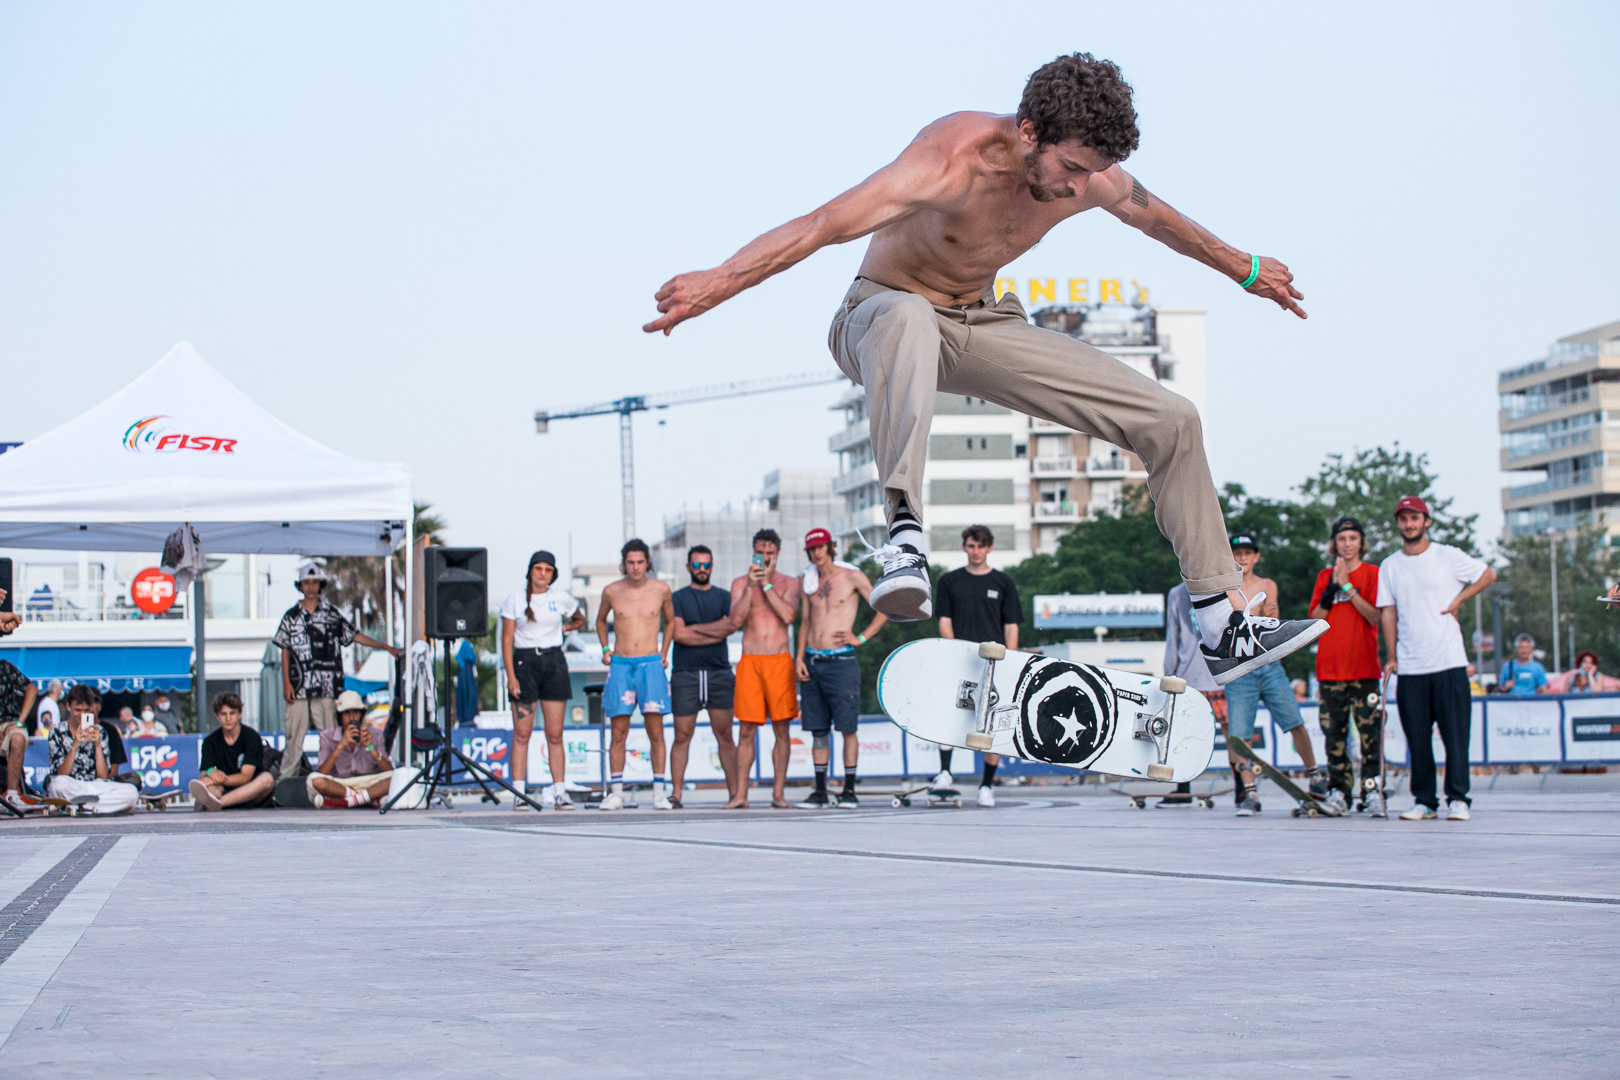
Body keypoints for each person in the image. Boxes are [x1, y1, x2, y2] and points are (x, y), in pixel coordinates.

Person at [643, 52, 1325, 682]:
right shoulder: (946, 160)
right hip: (876, 318)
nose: (1082, 187)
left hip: (981, 323)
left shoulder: (1090, 177)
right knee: (910, 314)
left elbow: (1161, 221)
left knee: (1172, 418)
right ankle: (904, 534)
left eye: (1093, 173)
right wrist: (719, 280)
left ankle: (1217, 619)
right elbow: (823, 223)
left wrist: (1244, 268)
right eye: (1072, 169)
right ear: (1028, 130)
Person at [1378, 496, 1495, 822]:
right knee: (1417, 738)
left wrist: (1459, 599)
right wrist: (1390, 656)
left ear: (1426, 520)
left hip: (1449, 661)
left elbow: (1487, 574)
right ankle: (1425, 800)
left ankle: (1458, 798)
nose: (1409, 524)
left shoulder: (1447, 556)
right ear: (1398, 523)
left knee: (1456, 735)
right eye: (1403, 519)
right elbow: (1388, 612)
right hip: (1411, 664)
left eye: (1414, 518)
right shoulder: (1390, 565)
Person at [1223, 534, 1324, 816]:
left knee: (1294, 720)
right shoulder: (1222, 588)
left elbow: (1272, 618)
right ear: (1230, 556)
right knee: (1240, 734)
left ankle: (1314, 774)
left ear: (1256, 557)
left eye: (1248, 552)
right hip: (1239, 665)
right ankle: (1250, 793)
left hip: (1268, 663)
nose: (1242, 557)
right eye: (1237, 552)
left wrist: (1260, 614)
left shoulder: (1267, 585)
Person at [273, 563, 401, 779]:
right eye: (307, 583)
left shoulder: (332, 614)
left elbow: (355, 636)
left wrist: (386, 647)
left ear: (320, 585)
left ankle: (333, 779)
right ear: (301, 586)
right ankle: (285, 784)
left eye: (315, 582)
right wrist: (286, 683)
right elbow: (285, 649)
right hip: (298, 686)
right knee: (293, 737)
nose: (311, 587)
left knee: (330, 735)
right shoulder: (291, 616)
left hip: (327, 686)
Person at [795, 528, 887, 807]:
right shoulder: (808, 581)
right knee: (818, 730)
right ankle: (821, 791)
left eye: (821, 547)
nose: (817, 552)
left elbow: (884, 607)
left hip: (841, 661)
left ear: (830, 547)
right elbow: (805, 623)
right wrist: (798, 658)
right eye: (812, 549)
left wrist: (861, 637)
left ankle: (849, 790)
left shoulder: (851, 576)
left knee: (848, 728)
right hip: (812, 659)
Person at [934, 526, 1021, 807]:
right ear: (964, 547)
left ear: (989, 548)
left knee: (991, 725)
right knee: (949, 716)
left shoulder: (1003, 582)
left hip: (993, 663)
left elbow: (1011, 625)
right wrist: (954, 653)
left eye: (981, 546)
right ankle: (945, 772)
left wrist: (1010, 660)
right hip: (960, 660)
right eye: (971, 546)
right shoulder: (950, 581)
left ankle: (986, 786)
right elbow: (944, 621)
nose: (976, 551)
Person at [1307, 516, 1386, 817]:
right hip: (1330, 669)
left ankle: (1372, 791)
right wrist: (1332, 587)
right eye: (1342, 539)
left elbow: (1375, 616)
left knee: (1370, 736)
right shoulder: (1325, 575)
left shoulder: (1373, 573)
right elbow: (1315, 617)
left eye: (1353, 539)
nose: (1348, 544)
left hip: (1364, 668)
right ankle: (1340, 791)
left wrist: (1348, 587)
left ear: (1362, 543)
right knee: (1334, 735)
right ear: (1334, 544)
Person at [500, 550, 586, 810]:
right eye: (538, 568)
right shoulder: (515, 599)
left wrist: (565, 628)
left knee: (555, 733)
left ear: (553, 574)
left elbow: (580, 618)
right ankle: (519, 791)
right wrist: (511, 676)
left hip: (554, 661)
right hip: (525, 663)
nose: (542, 573)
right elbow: (506, 640)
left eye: (548, 569)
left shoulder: (560, 598)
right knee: (522, 732)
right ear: (530, 571)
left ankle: (560, 791)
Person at [596, 539, 675, 811]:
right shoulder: (611, 591)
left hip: (651, 664)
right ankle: (616, 793)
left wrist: (665, 651)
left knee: (656, 731)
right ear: (623, 563)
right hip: (620, 664)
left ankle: (658, 794)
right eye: (630, 562)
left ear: (648, 562)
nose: (636, 567)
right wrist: (605, 648)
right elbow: (600, 620)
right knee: (618, 731)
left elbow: (671, 621)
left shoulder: (661, 589)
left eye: (640, 562)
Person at [727, 529, 803, 809]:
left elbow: (788, 615)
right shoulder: (739, 583)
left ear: (778, 553)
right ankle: (741, 795)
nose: (766, 558)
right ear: (753, 553)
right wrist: (751, 586)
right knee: (746, 730)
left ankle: (778, 794)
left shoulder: (789, 582)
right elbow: (735, 621)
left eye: (770, 553)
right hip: (751, 661)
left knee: (781, 729)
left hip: (780, 662)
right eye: (761, 553)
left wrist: (769, 585)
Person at [670, 545, 739, 809]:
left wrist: (694, 629)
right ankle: (676, 795)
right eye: (696, 565)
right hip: (685, 673)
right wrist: (713, 631)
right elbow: (678, 634)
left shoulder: (723, 596)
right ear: (688, 567)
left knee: (724, 735)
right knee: (681, 735)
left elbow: (730, 627)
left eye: (706, 564)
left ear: (712, 566)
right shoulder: (677, 597)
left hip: (718, 672)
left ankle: (735, 794)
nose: (702, 569)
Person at [1162, 582, 1225, 807]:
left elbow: (1173, 637)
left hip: (1218, 677)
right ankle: (1183, 787)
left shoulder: (1224, 587)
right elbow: (1174, 635)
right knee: (1183, 734)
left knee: (1231, 733)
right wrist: (1170, 671)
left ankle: (1244, 787)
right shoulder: (1178, 593)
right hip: (1194, 677)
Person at [45, 684, 138, 814]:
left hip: (94, 785)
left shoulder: (100, 731)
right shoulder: (57, 731)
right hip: (70, 784)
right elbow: (61, 773)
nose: (81, 715)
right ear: (68, 706)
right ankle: (93, 806)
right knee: (58, 784)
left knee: (131, 792)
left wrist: (98, 745)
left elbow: (103, 775)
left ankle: (80, 805)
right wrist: (75, 744)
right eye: (78, 710)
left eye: (86, 711)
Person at [306, 690, 408, 808]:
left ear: (361, 714)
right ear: (340, 716)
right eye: (347, 713)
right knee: (314, 780)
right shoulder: (327, 735)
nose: (351, 717)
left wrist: (370, 747)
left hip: (370, 782)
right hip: (341, 784)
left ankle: (346, 801)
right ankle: (366, 800)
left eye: (355, 712)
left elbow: (389, 770)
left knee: (397, 777)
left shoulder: (374, 734)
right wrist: (340, 746)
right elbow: (322, 773)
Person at [189, 692, 274, 810]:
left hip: (250, 790)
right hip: (223, 788)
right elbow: (203, 775)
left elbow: (245, 777)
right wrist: (211, 771)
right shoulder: (210, 741)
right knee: (208, 787)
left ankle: (218, 803)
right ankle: (214, 801)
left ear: (240, 714)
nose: (228, 719)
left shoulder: (251, 736)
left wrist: (220, 778)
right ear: (217, 715)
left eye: (232, 713)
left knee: (267, 779)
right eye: (223, 714)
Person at [1, 658, 40, 812]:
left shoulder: (4, 667)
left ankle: (12, 795)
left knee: (17, 738)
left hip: (9, 722)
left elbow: (32, 689)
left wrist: (19, 722)